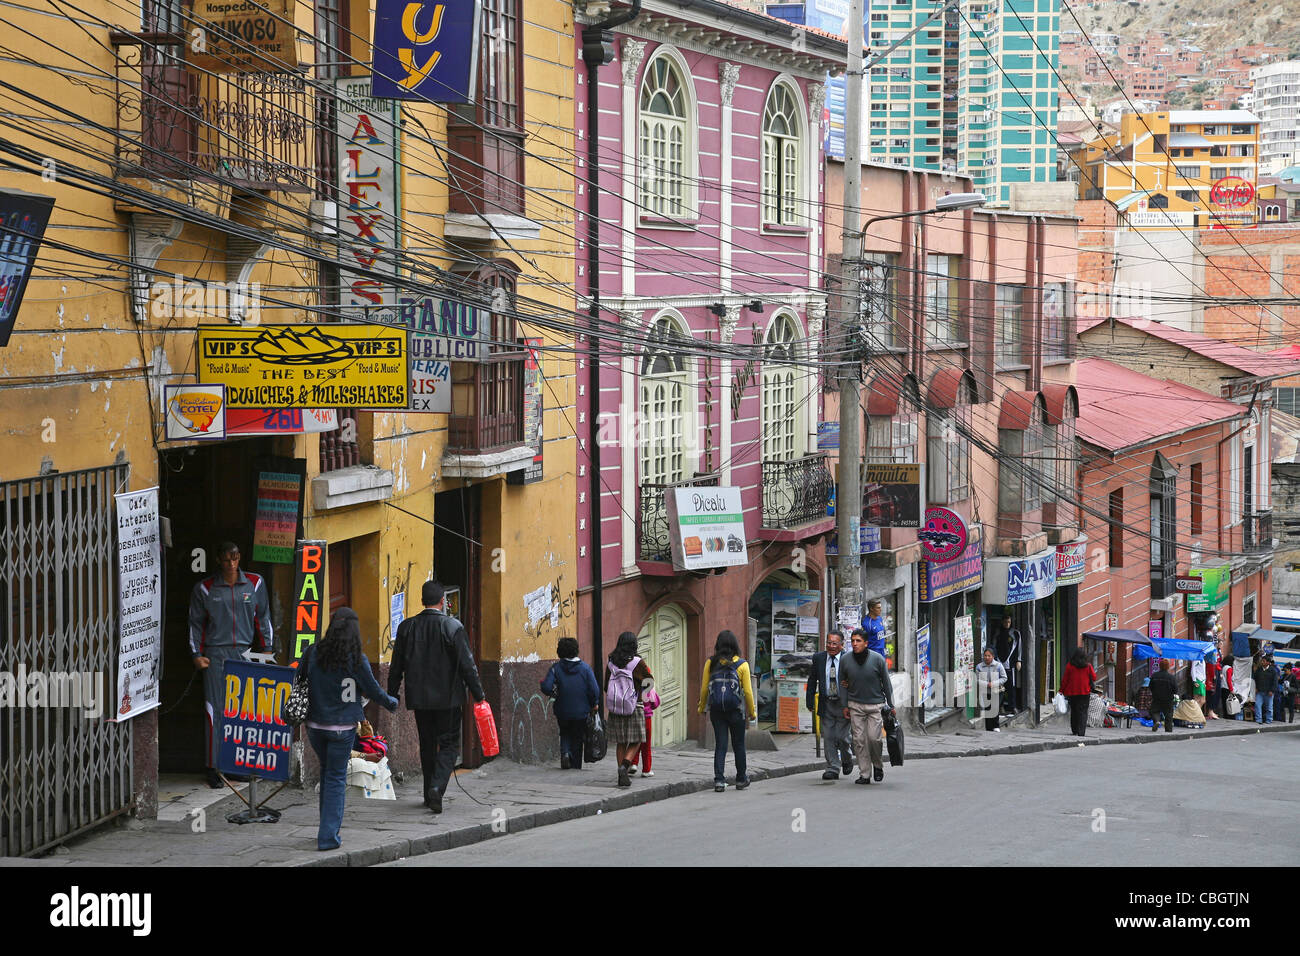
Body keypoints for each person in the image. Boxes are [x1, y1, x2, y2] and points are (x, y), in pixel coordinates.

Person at [300, 607, 398, 850]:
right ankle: (328, 837)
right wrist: (391, 703)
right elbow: (373, 689)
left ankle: (326, 829)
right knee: (334, 778)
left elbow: (299, 680)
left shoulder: (312, 652)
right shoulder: (356, 658)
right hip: (342, 729)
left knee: (328, 773)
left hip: (315, 726)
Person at [387, 580, 486, 813]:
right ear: (442, 601)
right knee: (450, 745)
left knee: (427, 745)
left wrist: (392, 693)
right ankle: (436, 788)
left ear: (422, 601)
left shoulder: (406, 628)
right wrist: (478, 694)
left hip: (420, 699)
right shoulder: (453, 627)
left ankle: (428, 793)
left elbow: (396, 666)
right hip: (448, 699)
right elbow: (467, 665)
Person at [188, 541, 273, 788]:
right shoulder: (204, 589)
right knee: (216, 711)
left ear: (240, 557)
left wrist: (266, 649)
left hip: (245, 654)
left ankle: (236, 765)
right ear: (218, 561)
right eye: (226, 559)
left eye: (235, 558)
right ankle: (213, 766)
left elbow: (263, 617)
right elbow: (195, 624)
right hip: (215, 656)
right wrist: (196, 654)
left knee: (243, 711)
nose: (231, 563)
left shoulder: (255, 583)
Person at [697, 630, 757, 792]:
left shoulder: (711, 663)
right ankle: (741, 779)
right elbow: (748, 692)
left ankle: (719, 780)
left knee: (720, 744)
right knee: (739, 745)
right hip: (736, 711)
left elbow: (704, 689)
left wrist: (702, 707)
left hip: (717, 710)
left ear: (718, 645)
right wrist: (752, 712)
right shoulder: (742, 665)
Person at [839, 627, 895, 784]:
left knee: (874, 738)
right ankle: (864, 773)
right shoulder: (845, 659)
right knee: (859, 740)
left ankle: (877, 765)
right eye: (853, 641)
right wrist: (845, 705)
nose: (855, 644)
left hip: (875, 705)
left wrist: (891, 705)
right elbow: (842, 683)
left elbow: (886, 683)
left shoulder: (877, 659)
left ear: (866, 643)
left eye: (858, 641)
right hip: (855, 705)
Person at [540, 637, 599, 771]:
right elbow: (594, 689)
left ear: (560, 651)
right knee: (577, 737)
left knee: (565, 732)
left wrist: (551, 690)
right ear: (576, 650)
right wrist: (594, 703)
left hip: (562, 709)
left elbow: (547, 687)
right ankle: (575, 765)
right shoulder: (585, 669)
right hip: (581, 711)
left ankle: (565, 753)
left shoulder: (556, 668)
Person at [605, 631, 653, 788]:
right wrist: (645, 698)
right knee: (637, 739)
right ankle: (624, 766)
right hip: (634, 706)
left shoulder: (611, 662)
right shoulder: (637, 663)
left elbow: (606, 686)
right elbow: (649, 681)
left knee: (621, 741)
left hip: (616, 708)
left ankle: (622, 776)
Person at [806, 630, 854, 779]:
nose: (831, 646)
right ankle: (833, 767)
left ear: (841, 645)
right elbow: (812, 679)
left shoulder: (849, 658)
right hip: (826, 702)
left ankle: (847, 759)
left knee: (842, 737)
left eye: (834, 643)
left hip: (843, 704)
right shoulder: (819, 658)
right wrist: (809, 700)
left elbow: (856, 680)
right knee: (828, 736)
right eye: (828, 643)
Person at [1058, 647, 1097, 738]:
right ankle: (1081, 731)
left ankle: (1074, 729)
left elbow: (1065, 680)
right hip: (1084, 692)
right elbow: (1094, 677)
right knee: (1083, 712)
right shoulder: (1088, 666)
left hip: (1072, 692)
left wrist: (1061, 691)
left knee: (1074, 711)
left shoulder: (1070, 665)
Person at [974, 647, 1007, 732]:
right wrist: (987, 684)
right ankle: (988, 728)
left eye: (989, 656)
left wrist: (994, 683)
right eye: (985, 655)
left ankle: (996, 726)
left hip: (997, 691)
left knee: (995, 707)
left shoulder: (999, 666)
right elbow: (977, 679)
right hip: (986, 691)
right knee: (987, 709)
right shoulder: (979, 667)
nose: (987, 657)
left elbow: (1004, 678)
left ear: (993, 656)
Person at [995, 616, 1022, 713]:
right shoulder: (998, 632)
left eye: (1009, 622)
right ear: (1002, 622)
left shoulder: (1015, 633)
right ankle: (1000, 706)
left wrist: (1019, 660)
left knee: (1011, 685)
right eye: (1005, 622)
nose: (1007, 624)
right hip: (998, 662)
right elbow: (994, 646)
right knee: (999, 686)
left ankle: (1012, 706)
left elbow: (1019, 647)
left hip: (1010, 663)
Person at [1148, 660, 1177, 733]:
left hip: (1156, 698)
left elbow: (1150, 687)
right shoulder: (1171, 677)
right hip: (1168, 699)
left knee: (1154, 711)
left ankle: (1157, 721)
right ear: (1168, 667)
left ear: (1159, 666)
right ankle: (1168, 730)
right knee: (1168, 715)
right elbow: (1175, 690)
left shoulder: (1154, 676)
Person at [1252, 654, 1277, 725]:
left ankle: (1269, 720)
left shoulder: (1273, 671)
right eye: (1262, 661)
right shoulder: (1259, 670)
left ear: (1268, 663)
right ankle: (1258, 719)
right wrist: (1255, 688)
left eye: (1263, 661)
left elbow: (1275, 682)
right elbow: (1255, 679)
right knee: (1257, 705)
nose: (1262, 662)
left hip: (1269, 692)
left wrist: (1272, 691)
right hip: (1259, 691)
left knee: (1269, 707)